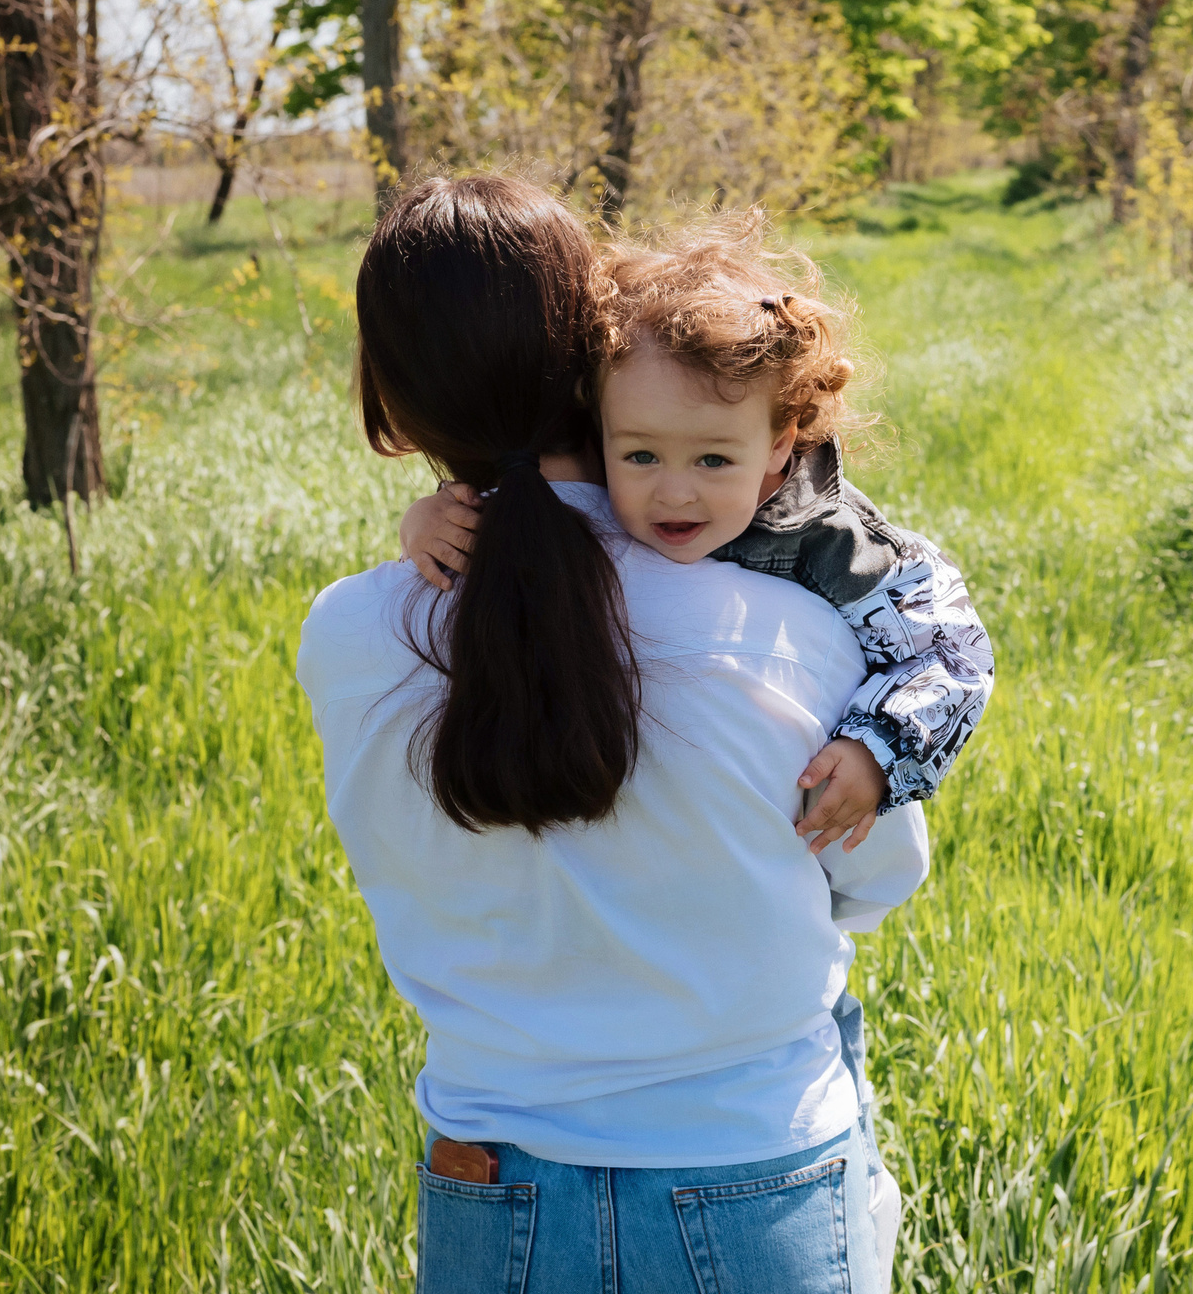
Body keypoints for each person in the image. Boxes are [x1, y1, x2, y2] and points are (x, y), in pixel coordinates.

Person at [299, 174, 928, 1294]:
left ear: (387, 404)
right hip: (754, 1161)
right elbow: (878, 874)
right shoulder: (787, 630)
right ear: (588, 364)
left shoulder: (347, 636)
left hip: (495, 1178)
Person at [399, 217, 994, 854]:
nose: (675, 494)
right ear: (598, 429)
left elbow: (956, 653)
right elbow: (524, 503)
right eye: (640, 457)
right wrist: (434, 516)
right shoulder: (615, 456)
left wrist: (878, 749)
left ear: (777, 445)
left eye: (713, 461)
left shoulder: (838, 543)